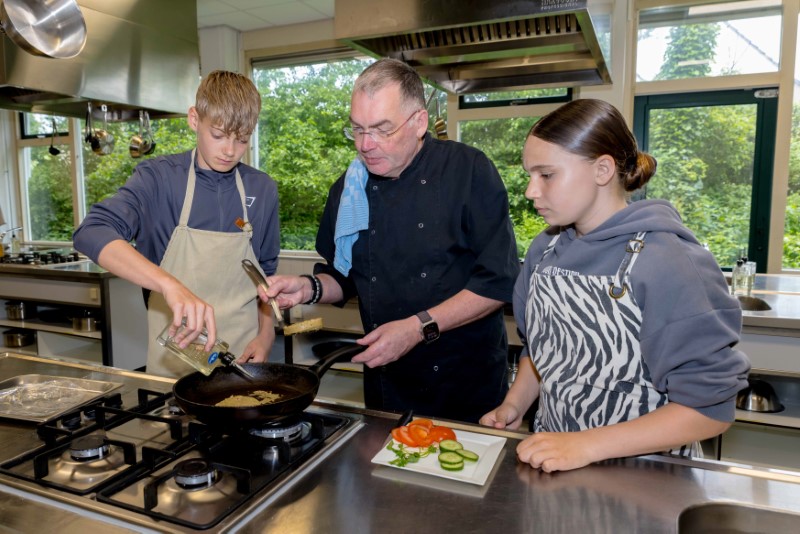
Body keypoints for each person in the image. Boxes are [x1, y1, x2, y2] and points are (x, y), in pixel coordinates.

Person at [480, 99, 750, 472]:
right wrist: (515, 404)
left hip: (647, 477)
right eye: (530, 175)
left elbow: (709, 410)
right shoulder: (544, 251)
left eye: (547, 175)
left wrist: (585, 445)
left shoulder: (668, 260)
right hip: (554, 461)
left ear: (603, 169)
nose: (530, 191)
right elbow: (540, 352)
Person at [262, 58, 520, 423]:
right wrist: (307, 288)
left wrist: (417, 327)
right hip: (388, 385)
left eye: (382, 129)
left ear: (419, 122)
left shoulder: (469, 171)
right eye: (357, 129)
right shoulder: (349, 190)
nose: (365, 145)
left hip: (465, 385)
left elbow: (497, 283)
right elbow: (347, 278)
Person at [73, 70, 280, 377]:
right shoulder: (158, 179)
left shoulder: (261, 188)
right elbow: (91, 231)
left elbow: (266, 274)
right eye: (218, 135)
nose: (230, 150)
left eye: (242, 139)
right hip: (174, 363)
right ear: (194, 119)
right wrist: (169, 285)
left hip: (243, 361)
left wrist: (266, 334)